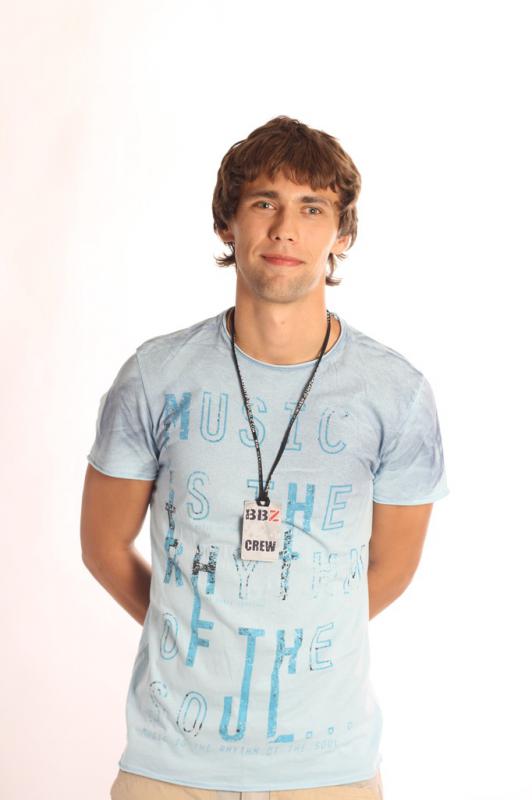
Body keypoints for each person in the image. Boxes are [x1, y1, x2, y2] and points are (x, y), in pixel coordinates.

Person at [81, 115, 450, 800]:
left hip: (330, 771)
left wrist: (290, 630)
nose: (285, 229)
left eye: (312, 208)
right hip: (170, 767)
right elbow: (103, 547)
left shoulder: (395, 393)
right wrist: (197, 630)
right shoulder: (154, 377)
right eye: (263, 203)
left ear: (341, 235)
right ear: (228, 224)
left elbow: (394, 567)